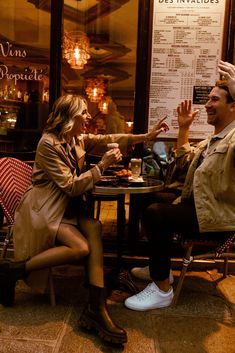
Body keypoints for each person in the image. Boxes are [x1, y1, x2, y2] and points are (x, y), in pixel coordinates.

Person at [0, 94, 168, 343]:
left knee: (95, 227)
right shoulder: (48, 144)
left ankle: (96, 306)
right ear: (69, 117)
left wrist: (145, 137)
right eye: (84, 113)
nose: (89, 117)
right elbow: (70, 187)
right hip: (43, 209)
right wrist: (101, 166)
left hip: (64, 207)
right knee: (81, 247)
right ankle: (13, 269)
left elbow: (107, 139)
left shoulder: (75, 138)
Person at [124, 71, 235, 311]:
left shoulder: (233, 138)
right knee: (148, 197)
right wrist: (184, 128)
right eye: (209, 99)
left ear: (233, 106)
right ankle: (159, 265)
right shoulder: (213, 139)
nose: (207, 104)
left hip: (217, 220)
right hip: (200, 208)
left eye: (215, 99)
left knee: (157, 214)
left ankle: (162, 288)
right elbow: (183, 163)